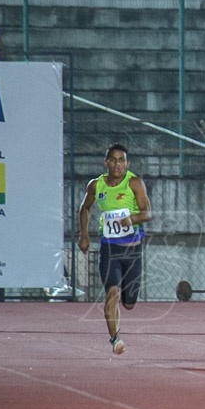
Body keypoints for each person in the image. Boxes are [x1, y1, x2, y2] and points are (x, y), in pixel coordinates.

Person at [77, 144, 153, 355]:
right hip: (109, 249)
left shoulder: (134, 183)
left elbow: (147, 213)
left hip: (133, 251)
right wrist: (84, 235)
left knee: (128, 303)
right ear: (106, 162)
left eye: (122, 160)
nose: (117, 164)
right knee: (112, 293)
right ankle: (115, 338)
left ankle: (123, 310)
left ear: (127, 164)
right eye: (113, 159)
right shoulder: (96, 185)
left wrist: (131, 219)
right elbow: (85, 208)